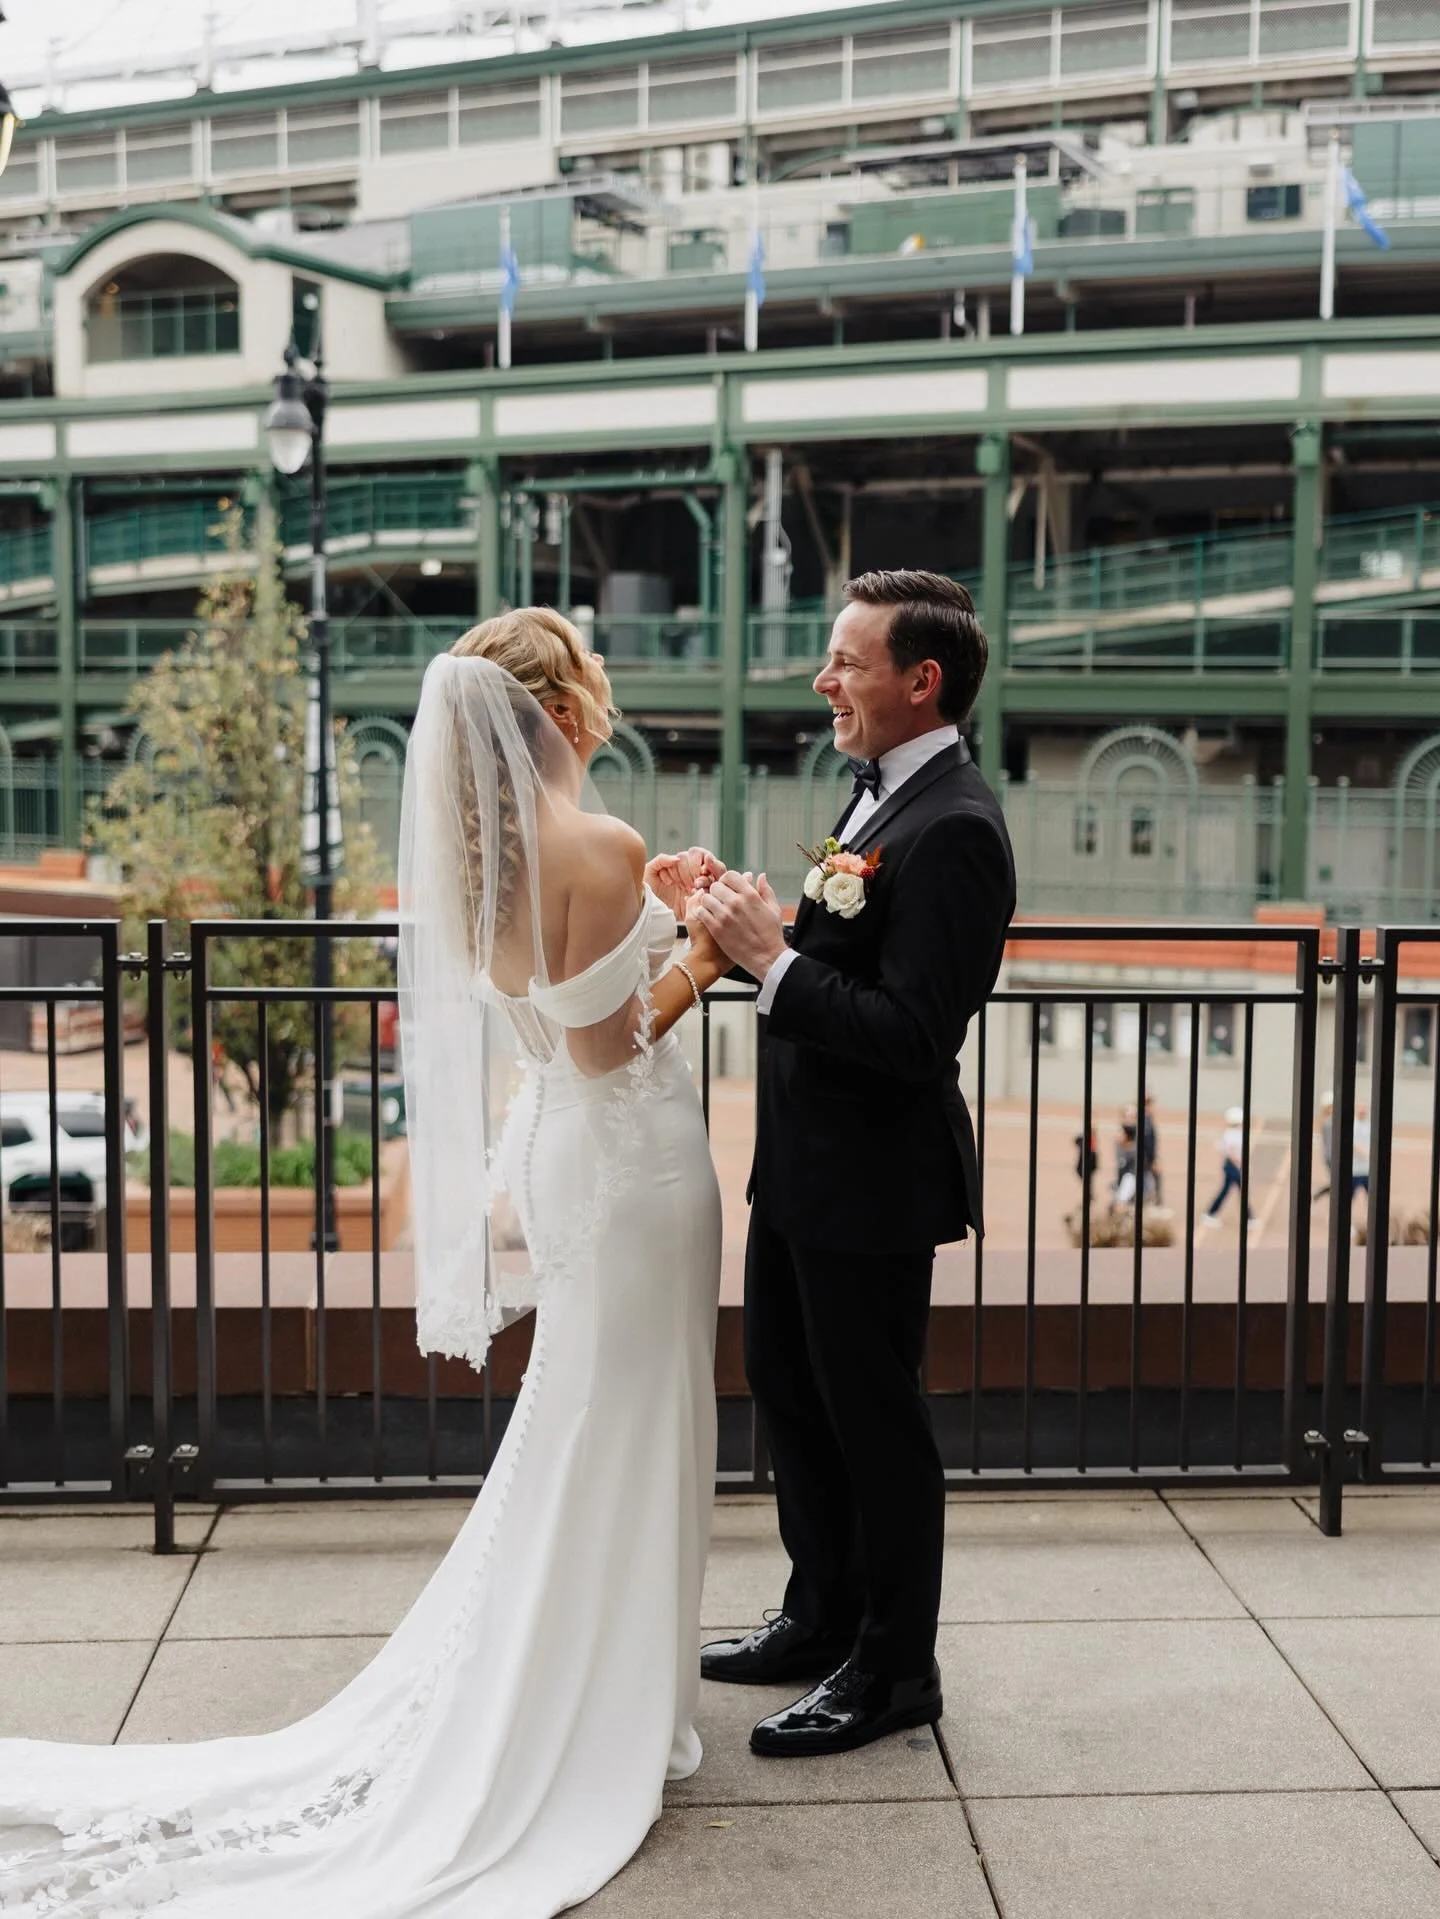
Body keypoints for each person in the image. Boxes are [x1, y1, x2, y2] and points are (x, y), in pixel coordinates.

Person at [0, 610, 731, 1915]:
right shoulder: (606, 845)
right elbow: (614, 1048)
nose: (606, 690)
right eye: (593, 672)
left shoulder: (481, 862)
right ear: (560, 711)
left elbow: (554, 1034)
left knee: (582, 1423)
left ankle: (597, 1681)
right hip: (634, 1166)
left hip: (559, 1159)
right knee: (632, 1421)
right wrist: (706, 953)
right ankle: (612, 1706)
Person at [691, 568, 1016, 1758]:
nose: (824, 680)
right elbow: (843, 959)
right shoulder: (877, 795)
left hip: (874, 1183)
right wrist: (754, 929)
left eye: (846, 661)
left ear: (919, 680)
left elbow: (914, 1031)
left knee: (877, 1425)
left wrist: (773, 963)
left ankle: (892, 1669)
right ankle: (819, 1611)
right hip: (806, 1169)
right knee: (791, 1389)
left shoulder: (960, 828)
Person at [1202, 1104, 1254, 1228]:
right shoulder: (1232, 1134)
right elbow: (1230, 1152)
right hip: (1233, 1166)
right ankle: (1210, 1214)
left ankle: (1249, 1217)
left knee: (1235, 1190)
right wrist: (1241, 1164)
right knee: (1230, 1191)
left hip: (1233, 1166)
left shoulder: (1233, 1133)